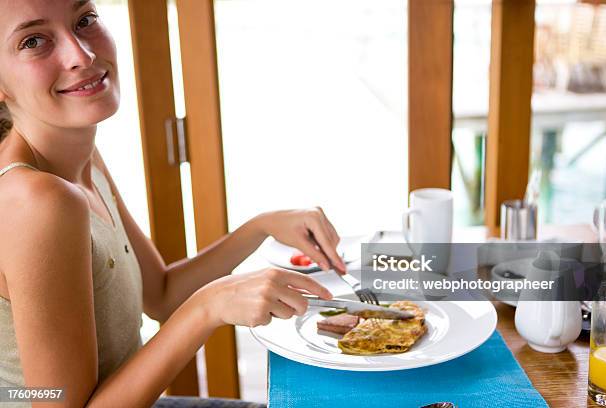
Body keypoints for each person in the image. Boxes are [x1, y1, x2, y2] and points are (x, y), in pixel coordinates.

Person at [0, 1, 346, 407]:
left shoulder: (82, 157)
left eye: (85, 20)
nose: (82, 55)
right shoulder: (38, 202)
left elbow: (162, 293)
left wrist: (260, 227)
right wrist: (209, 306)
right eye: (34, 41)